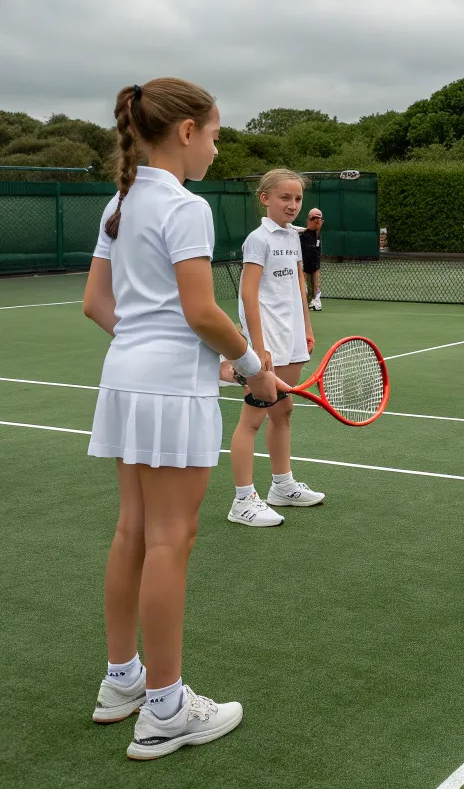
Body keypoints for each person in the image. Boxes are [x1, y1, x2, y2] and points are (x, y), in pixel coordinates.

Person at [83, 79, 280, 760]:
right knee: (171, 538)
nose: (219, 148)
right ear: (188, 132)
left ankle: (123, 684)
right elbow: (199, 312)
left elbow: (98, 304)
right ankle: (165, 708)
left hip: (127, 379)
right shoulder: (182, 205)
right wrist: (252, 364)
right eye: (217, 134)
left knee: (133, 531)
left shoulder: (120, 200)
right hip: (167, 389)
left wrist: (180, 353)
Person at [227, 169, 324, 528]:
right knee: (252, 418)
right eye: (285, 198)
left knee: (283, 412)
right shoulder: (258, 239)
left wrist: (307, 327)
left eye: (297, 199)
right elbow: (248, 294)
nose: (293, 205)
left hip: (292, 338)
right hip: (267, 340)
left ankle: (282, 486)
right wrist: (258, 346)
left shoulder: (294, 237)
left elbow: (299, 287)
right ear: (265, 198)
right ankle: (242, 500)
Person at [299, 207, 323, 311]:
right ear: (309, 220)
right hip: (303, 266)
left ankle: (316, 300)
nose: (317, 220)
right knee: (304, 288)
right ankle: (303, 301)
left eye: (319, 218)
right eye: (314, 218)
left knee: (316, 273)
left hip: (314, 266)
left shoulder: (317, 235)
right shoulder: (302, 234)